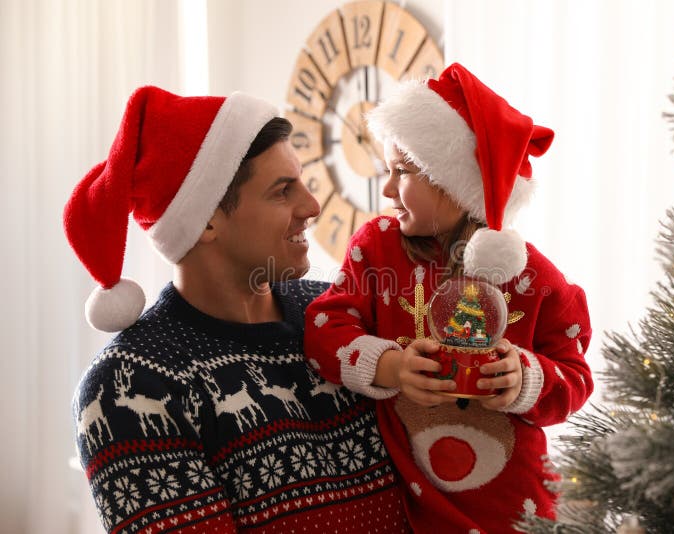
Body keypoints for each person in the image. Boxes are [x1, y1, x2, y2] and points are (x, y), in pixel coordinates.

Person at [65, 86, 409, 533]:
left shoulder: (343, 312)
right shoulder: (125, 389)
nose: (312, 206)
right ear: (206, 219)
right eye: (283, 191)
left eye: (301, 181)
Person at [304, 63, 594, 533]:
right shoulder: (377, 247)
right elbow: (324, 328)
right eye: (388, 170)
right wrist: (392, 367)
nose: (388, 189)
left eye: (403, 172)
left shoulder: (529, 274)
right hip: (412, 509)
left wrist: (525, 379)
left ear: (455, 181)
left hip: (517, 513)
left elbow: (576, 377)